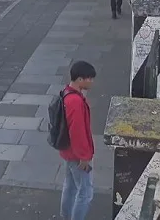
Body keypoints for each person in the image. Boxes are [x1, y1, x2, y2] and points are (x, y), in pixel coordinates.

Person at [59, 61, 97, 220]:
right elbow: (77, 131)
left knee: (71, 186)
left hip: (68, 151)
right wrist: (84, 156)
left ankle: (65, 216)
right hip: (77, 155)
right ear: (80, 79)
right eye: (90, 79)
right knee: (85, 193)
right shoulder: (74, 101)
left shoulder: (66, 92)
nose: (92, 82)